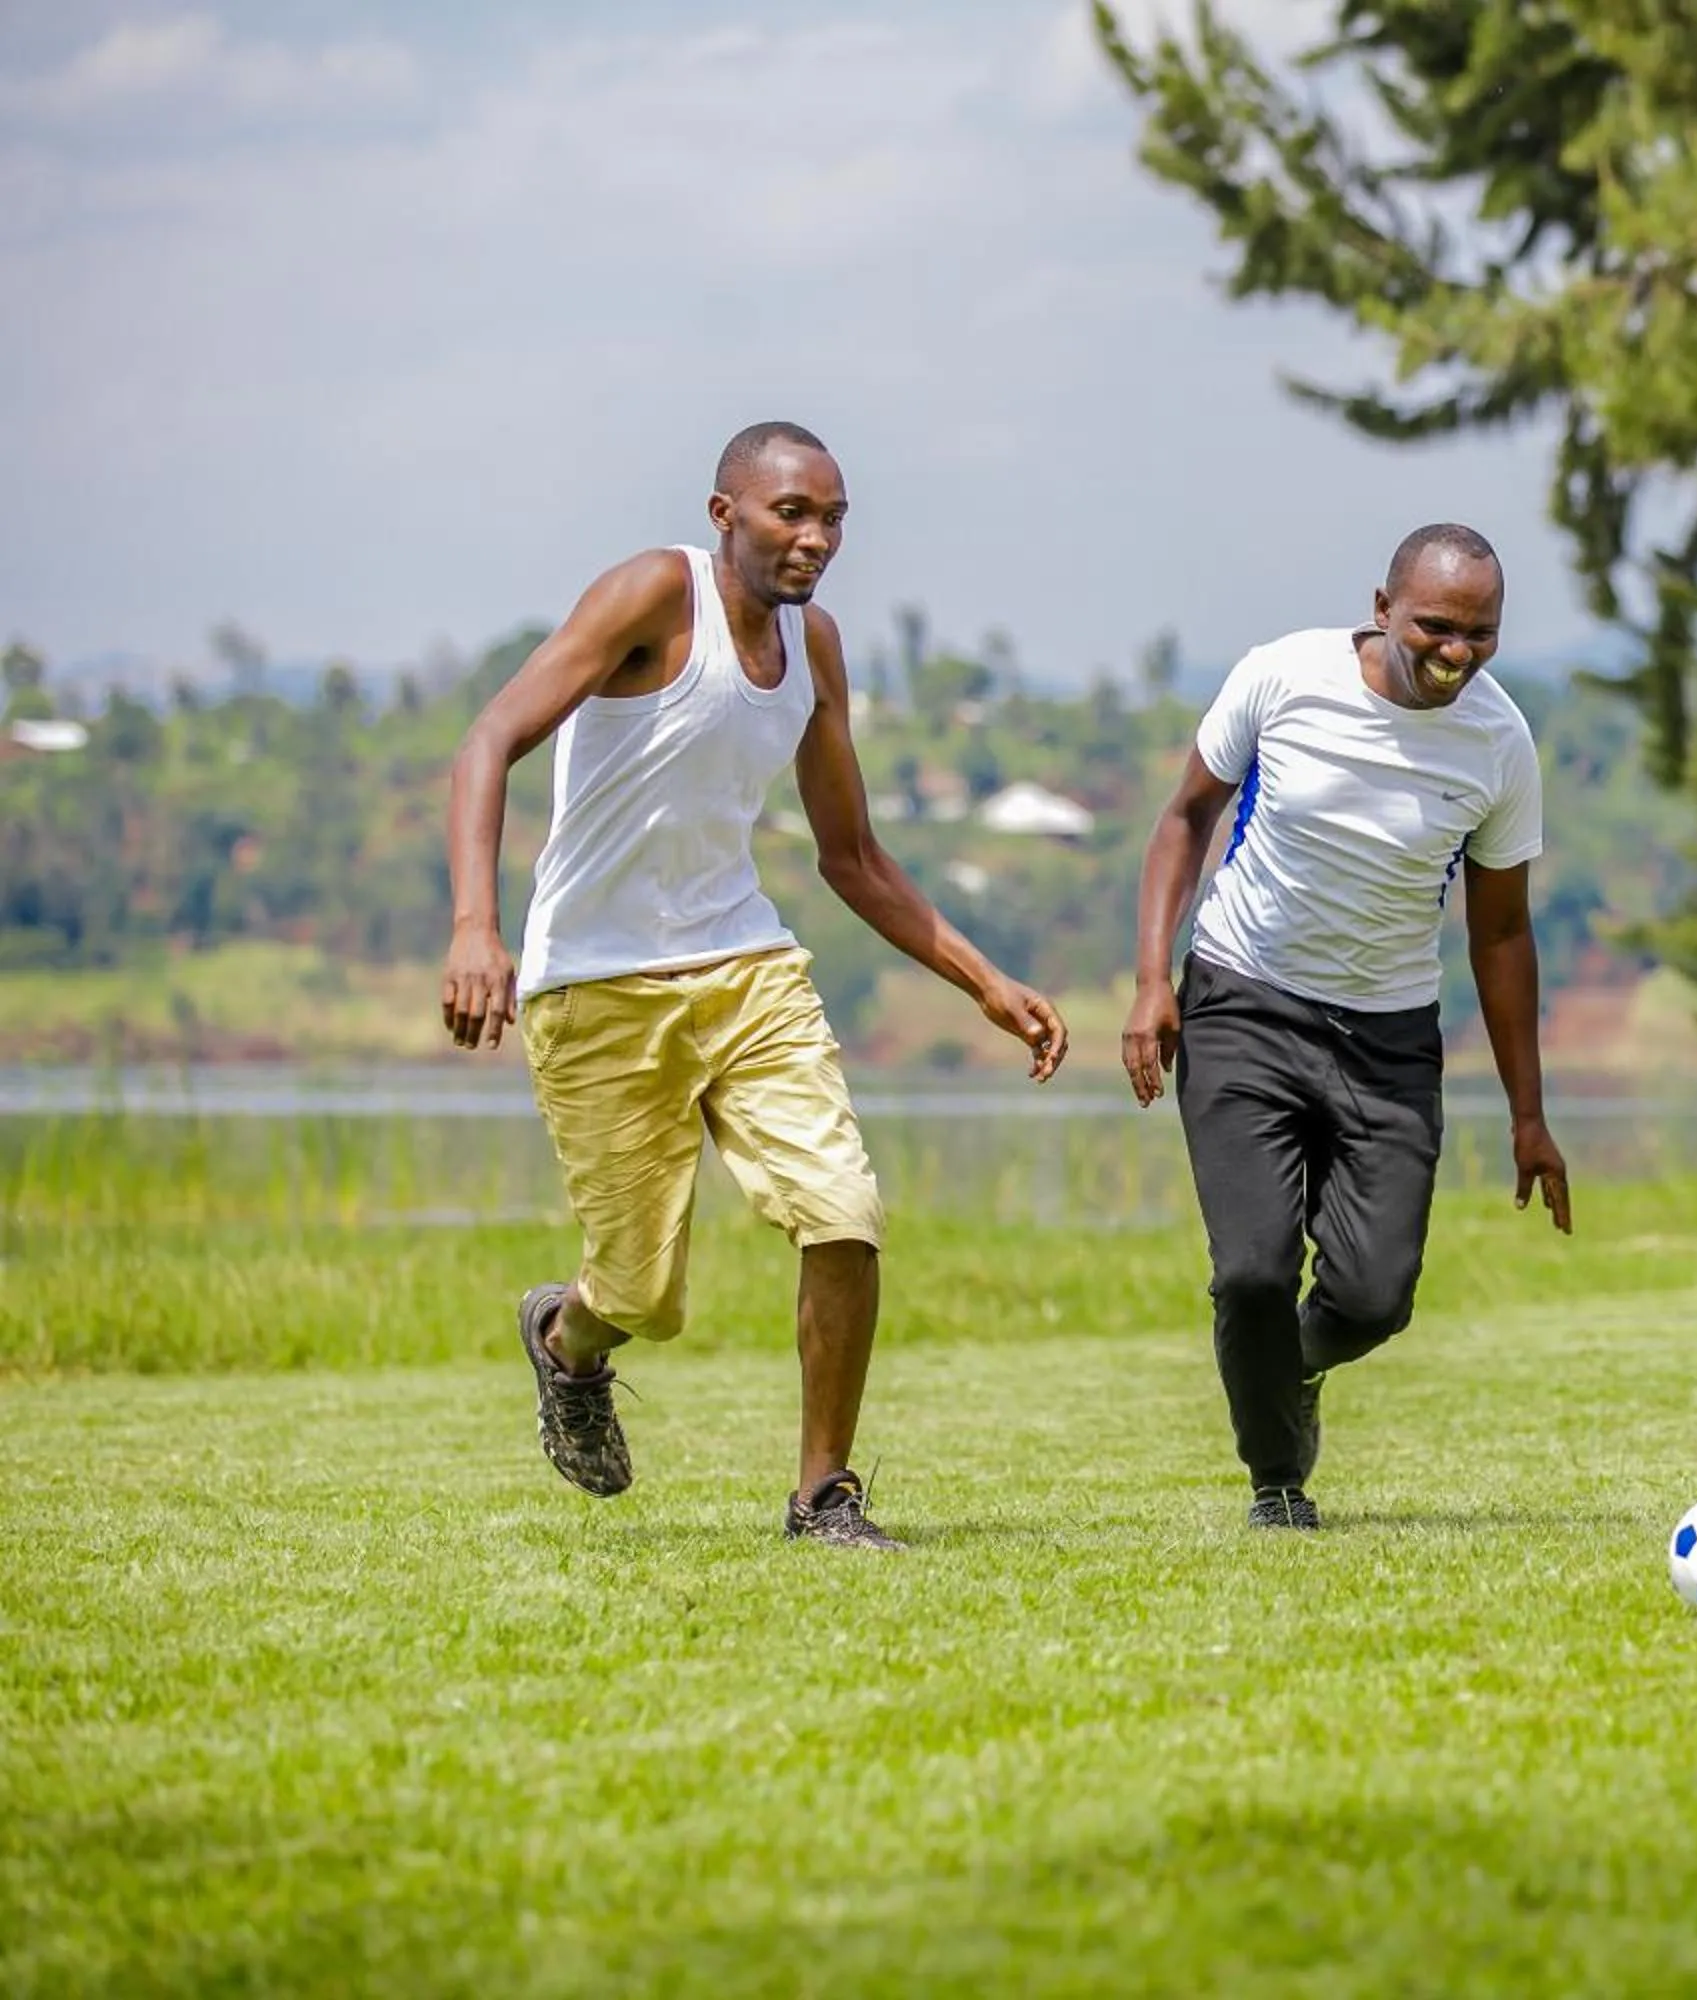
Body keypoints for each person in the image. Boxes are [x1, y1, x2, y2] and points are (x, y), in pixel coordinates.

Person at [442, 421, 1070, 1550]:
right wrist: (476, 928)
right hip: (597, 984)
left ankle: (824, 1497)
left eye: (833, 518)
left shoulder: (814, 647)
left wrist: (984, 982)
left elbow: (853, 857)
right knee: (641, 1299)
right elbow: (489, 739)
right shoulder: (652, 594)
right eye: (792, 512)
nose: (816, 537)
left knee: (844, 1213)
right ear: (724, 513)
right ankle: (566, 1341)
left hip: (748, 969)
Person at [1123, 523, 1572, 1529]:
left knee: (1376, 1297)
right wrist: (1153, 979)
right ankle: (1278, 1480)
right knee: (1252, 1272)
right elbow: (1187, 817)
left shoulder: (1499, 742)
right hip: (1244, 1000)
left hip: (1389, 1036)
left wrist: (1529, 1115)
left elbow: (1502, 933)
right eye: (1435, 627)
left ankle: (1292, 1367)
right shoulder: (1283, 677)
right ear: (1382, 608)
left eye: (1481, 634)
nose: (1456, 653)